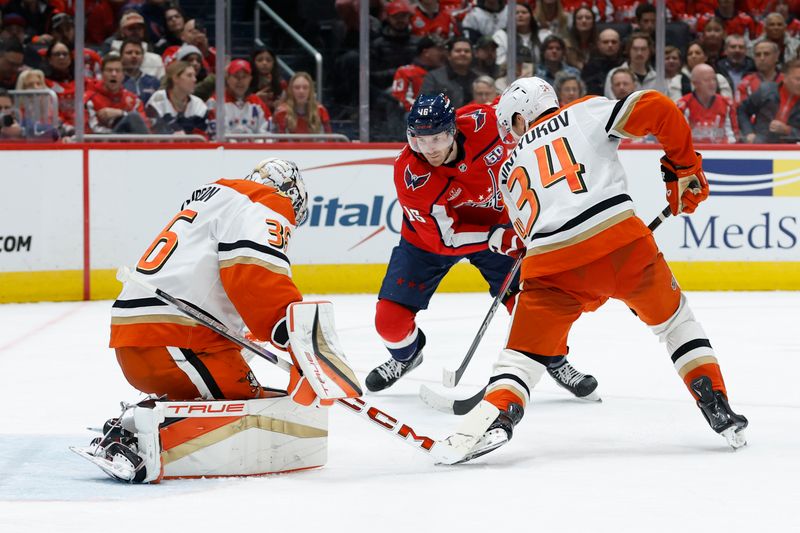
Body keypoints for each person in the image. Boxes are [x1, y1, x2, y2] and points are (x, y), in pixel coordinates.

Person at [453, 77, 748, 463]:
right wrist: (683, 166)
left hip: (551, 267)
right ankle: (716, 402)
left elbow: (526, 237)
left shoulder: (508, 172)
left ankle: (498, 417)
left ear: (520, 119)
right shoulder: (583, 112)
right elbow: (658, 106)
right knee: (676, 323)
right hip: (622, 246)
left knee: (521, 357)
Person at [86, 158, 342, 483]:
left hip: (141, 334)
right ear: (292, 197)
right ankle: (143, 440)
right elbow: (253, 275)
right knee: (255, 405)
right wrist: (290, 331)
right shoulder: (264, 203)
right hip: (174, 339)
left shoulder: (216, 199)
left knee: (243, 379)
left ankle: (143, 423)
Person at [365, 92, 598, 401]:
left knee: (533, 306)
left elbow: (522, 105)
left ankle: (555, 359)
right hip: (429, 241)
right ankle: (406, 356)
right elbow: (445, 238)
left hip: (499, 229)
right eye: (419, 140)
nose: (428, 149)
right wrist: (498, 236)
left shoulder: (483, 121)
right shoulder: (411, 175)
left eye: (436, 138)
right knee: (389, 322)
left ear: (453, 130)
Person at [738, 58, 800, 143]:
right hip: (760, 146)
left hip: (790, 151)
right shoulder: (765, 91)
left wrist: (788, 130)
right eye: (798, 79)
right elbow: (742, 111)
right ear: (784, 78)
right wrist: (748, 133)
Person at [84, 54, 150, 134]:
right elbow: (90, 130)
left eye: (118, 70)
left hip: (131, 144)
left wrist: (121, 113)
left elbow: (143, 126)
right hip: (102, 144)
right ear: (102, 74)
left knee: (134, 117)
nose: (114, 74)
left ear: (123, 75)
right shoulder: (89, 99)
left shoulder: (133, 100)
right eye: (109, 70)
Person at [207, 59, 272, 139]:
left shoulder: (257, 102)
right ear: (227, 78)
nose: (240, 81)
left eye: (244, 77)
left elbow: (268, 132)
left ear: (250, 79)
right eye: (236, 76)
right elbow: (216, 136)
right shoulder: (215, 102)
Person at [677, 63, 738, 143]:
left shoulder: (727, 104)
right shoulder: (683, 106)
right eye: (707, 80)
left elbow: (733, 137)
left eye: (714, 79)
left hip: (721, 152)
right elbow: (679, 139)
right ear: (695, 84)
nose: (712, 83)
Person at [146, 60, 208, 136]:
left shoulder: (198, 103)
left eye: (194, 75)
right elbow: (155, 130)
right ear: (175, 78)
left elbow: (201, 134)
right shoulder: (158, 98)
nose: (194, 80)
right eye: (189, 75)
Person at [421, 37, 480, 108]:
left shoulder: (479, 78)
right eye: (458, 51)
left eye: (467, 51)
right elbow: (423, 104)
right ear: (449, 55)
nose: (463, 54)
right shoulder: (434, 77)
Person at [604, 33, 657, 99]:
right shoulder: (614, 74)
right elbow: (611, 102)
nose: (639, 53)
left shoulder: (657, 78)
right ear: (629, 50)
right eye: (635, 49)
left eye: (643, 49)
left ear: (650, 51)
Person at [581, 28, 622, 96]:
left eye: (614, 42)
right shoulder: (589, 68)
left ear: (619, 44)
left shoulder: (625, 65)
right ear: (598, 44)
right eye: (605, 42)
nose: (610, 45)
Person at [120, 39, 160, 105]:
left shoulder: (154, 82)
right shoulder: (116, 81)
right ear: (121, 57)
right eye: (129, 53)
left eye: (137, 53)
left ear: (143, 58)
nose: (134, 56)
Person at [249, 47, 286, 113]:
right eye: (260, 60)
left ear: (273, 63)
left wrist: (280, 105)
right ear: (253, 62)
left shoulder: (281, 84)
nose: (264, 63)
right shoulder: (246, 81)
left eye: (268, 60)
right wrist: (255, 98)